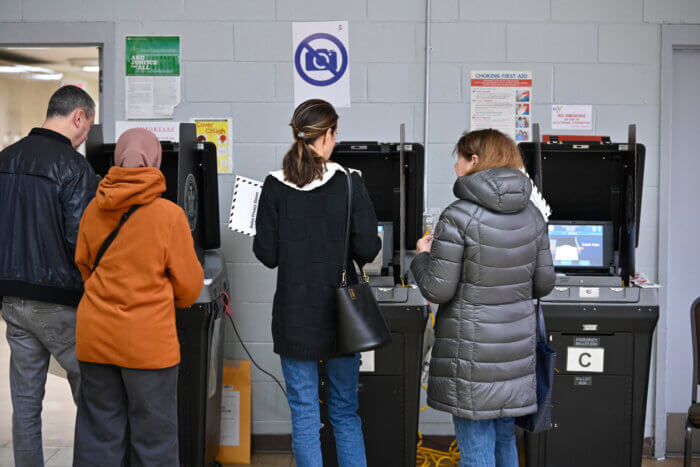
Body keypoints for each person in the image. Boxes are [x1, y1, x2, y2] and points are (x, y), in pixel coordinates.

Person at [411, 129, 555, 467]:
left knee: (476, 451)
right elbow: (544, 283)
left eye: (459, 158)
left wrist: (421, 257)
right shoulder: (533, 216)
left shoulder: (458, 216)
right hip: (516, 357)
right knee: (505, 440)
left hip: (471, 358)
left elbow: (438, 288)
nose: (456, 166)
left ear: (474, 161)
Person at [253, 99, 381, 467]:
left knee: (305, 416)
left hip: (294, 316)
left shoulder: (275, 185)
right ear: (326, 136)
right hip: (344, 317)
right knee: (344, 412)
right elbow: (368, 248)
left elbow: (267, 255)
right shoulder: (350, 183)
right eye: (335, 133)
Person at [72, 128, 204, 466]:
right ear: (156, 160)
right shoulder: (169, 216)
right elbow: (189, 288)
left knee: (99, 436)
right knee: (154, 441)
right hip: (148, 346)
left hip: (96, 340)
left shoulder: (92, 211)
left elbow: (85, 268)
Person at [0, 85, 97, 466]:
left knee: (25, 402)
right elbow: (81, 241)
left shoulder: (5, 158)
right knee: (93, 397)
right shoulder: (74, 168)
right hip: (60, 302)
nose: (87, 137)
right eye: (88, 127)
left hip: (12, 301)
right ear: (78, 117)